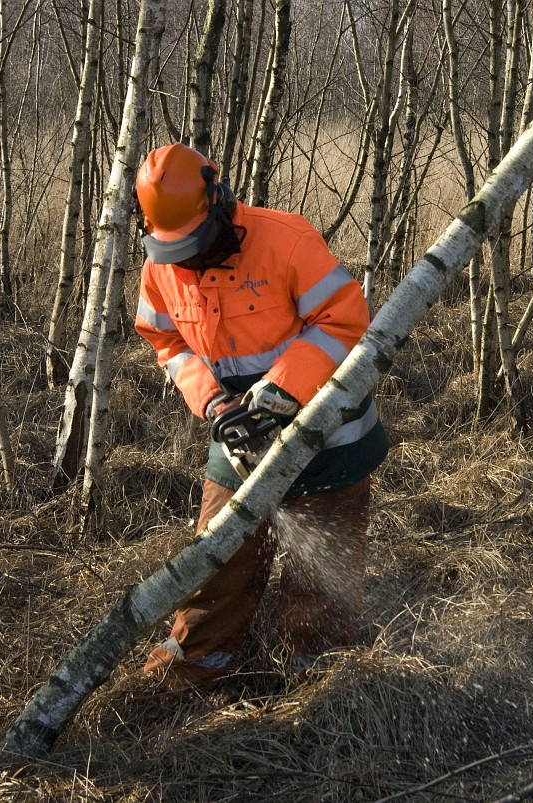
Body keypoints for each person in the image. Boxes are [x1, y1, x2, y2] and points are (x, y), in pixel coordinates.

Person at [133, 143, 389, 690]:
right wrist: (213, 401)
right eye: (175, 249)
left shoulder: (286, 240)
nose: (188, 260)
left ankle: (320, 681)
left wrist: (280, 392)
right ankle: (194, 666)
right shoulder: (161, 267)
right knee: (217, 555)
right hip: (237, 436)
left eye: (196, 243)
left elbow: (344, 320)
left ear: (219, 201)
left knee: (321, 577)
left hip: (329, 431)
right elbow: (167, 341)